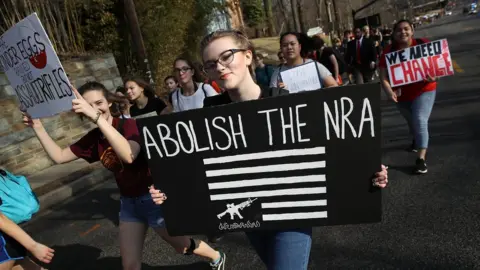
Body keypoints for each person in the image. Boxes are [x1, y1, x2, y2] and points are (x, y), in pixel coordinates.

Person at [150, 29, 389, 270]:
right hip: (250, 217)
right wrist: (169, 189)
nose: (219, 67)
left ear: (247, 56)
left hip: (292, 215)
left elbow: (327, 150)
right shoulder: (210, 112)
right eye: (211, 64)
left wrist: (365, 169)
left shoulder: (282, 100)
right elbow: (196, 166)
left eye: (227, 56)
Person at [22, 82, 226, 270]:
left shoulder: (128, 126)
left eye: (99, 102)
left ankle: (216, 256)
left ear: (109, 102)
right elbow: (58, 156)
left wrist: (98, 119)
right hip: (129, 204)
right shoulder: (95, 139)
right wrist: (38, 127)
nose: (95, 108)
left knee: (181, 247)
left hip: (153, 199)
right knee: (129, 266)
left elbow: (129, 155)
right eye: (89, 105)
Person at [379, 19, 437, 174]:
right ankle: (416, 139)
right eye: (399, 30)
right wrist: (388, 91)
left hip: (424, 90)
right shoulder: (388, 52)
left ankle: (421, 159)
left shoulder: (422, 44)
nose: (402, 32)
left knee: (419, 119)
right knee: (412, 121)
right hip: (401, 95)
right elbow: (383, 76)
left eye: (406, 29)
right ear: (394, 34)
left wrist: (435, 76)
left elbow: (437, 66)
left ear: (412, 31)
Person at [270, 32, 338, 90]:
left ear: (299, 47)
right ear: (281, 49)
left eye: (292, 44)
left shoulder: (315, 66)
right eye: (285, 45)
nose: (289, 47)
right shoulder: (277, 74)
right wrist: (279, 92)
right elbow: (272, 99)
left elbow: (334, 86)